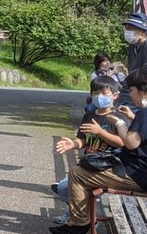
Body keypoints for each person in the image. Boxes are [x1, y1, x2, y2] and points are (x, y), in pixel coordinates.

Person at [50, 65, 147, 234]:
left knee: (77, 175)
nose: (131, 95)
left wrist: (120, 124)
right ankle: (79, 221)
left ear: (144, 90)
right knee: (85, 170)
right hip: (143, 173)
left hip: (134, 175)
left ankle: (80, 224)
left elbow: (130, 143)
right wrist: (132, 118)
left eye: (132, 90)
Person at [50, 76, 121, 218]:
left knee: (66, 187)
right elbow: (83, 140)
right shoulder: (89, 116)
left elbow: (121, 143)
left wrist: (100, 132)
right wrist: (73, 144)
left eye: (104, 93)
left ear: (115, 96)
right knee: (64, 187)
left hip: (107, 166)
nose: (99, 96)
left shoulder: (117, 118)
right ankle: (79, 213)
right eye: (95, 93)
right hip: (89, 162)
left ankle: (80, 216)